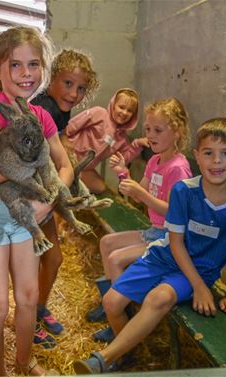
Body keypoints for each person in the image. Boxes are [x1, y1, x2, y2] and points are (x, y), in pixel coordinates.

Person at [73, 118, 226, 374]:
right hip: (165, 255)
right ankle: (131, 351)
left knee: (159, 296)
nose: (216, 161)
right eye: (208, 153)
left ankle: (104, 359)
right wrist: (199, 289)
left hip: (199, 270)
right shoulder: (185, 191)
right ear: (197, 155)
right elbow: (175, 242)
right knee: (112, 302)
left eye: (225, 153)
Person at [0, 26, 67, 376]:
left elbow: (65, 165)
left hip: (23, 210)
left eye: (33, 65)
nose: (26, 74)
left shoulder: (40, 116)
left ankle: (25, 361)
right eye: (16, 65)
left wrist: (49, 202)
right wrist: (22, 168)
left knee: (27, 295)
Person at [87, 98, 193, 343]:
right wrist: (123, 173)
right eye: (148, 129)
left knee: (115, 258)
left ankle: (120, 313)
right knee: (107, 243)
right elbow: (136, 192)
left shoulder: (178, 169)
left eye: (158, 130)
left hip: (169, 239)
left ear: (177, 132)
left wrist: (141, 193)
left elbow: (177, 214)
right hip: (154, 230)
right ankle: (116, 309)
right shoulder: (155, 161)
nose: (150, 135)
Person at [29, 49, 99, 347]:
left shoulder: (58, 109)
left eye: (80, 88)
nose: (74, 93)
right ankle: (28, 321)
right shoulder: (42, 108)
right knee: (32, 263)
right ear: (52, 79)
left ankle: (38, 309)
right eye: (68, 83)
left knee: (54, 259)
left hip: (45, 196)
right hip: (30, 200)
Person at [65, 88, 147, 194]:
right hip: (67, 157)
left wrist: (137, 144)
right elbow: (72, 126)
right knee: (64, 180)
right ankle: (66, 177)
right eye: (121, 107)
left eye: (130, 111)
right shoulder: (98, 113)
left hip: (84, 168)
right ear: (113, 105)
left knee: (101, 188)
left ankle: (72, 179)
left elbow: (123, 159)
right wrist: (62, 145)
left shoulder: (122, 139)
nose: (124, 113)